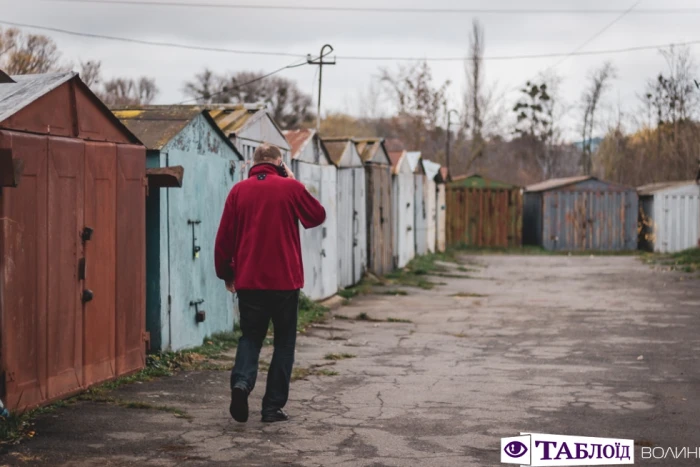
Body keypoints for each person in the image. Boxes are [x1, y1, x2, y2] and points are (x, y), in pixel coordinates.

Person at [214, 143, 326, 423]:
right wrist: (293, 180)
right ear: (279, 163)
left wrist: (227, 273)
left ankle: (241, 385)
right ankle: (272, 408)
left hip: (250, 280)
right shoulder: (290, 188)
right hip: (285, 282)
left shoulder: (238, 191)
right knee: (284, 343)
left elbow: (224, 239)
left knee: (250, 338)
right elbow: (316, 215)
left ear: (254, 162)